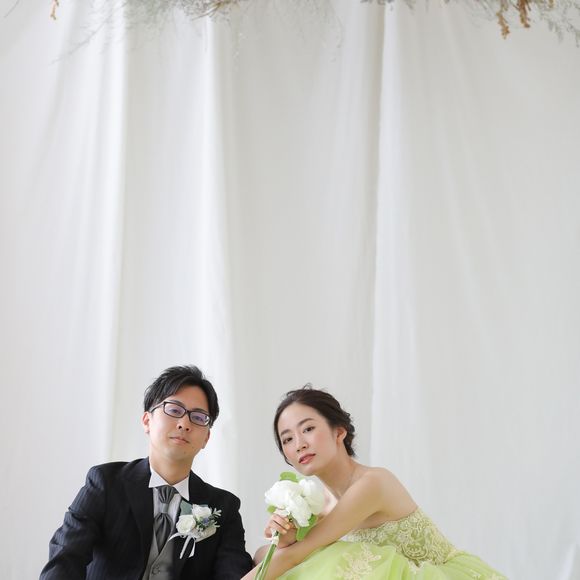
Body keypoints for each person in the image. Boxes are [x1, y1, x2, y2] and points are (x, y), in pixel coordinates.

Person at [243, 385, 506, 580]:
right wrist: (286, 539)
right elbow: (290, 554)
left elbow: (298, 555)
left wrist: (288, 550)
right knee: (264, 553)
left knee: (331, 555)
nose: (299, 444)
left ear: (339, 431)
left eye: (308, 429)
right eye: (287, 439)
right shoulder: (321, 504)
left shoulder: (373, 483)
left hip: (439, 575)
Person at [41, 365, 253, 580]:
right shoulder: (105, 483)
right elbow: (65, 558)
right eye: (174, 410)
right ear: (147, 421)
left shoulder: (224, 508)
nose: (184, 424)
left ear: (206, 438)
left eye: (198, 417)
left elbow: (233, 574)